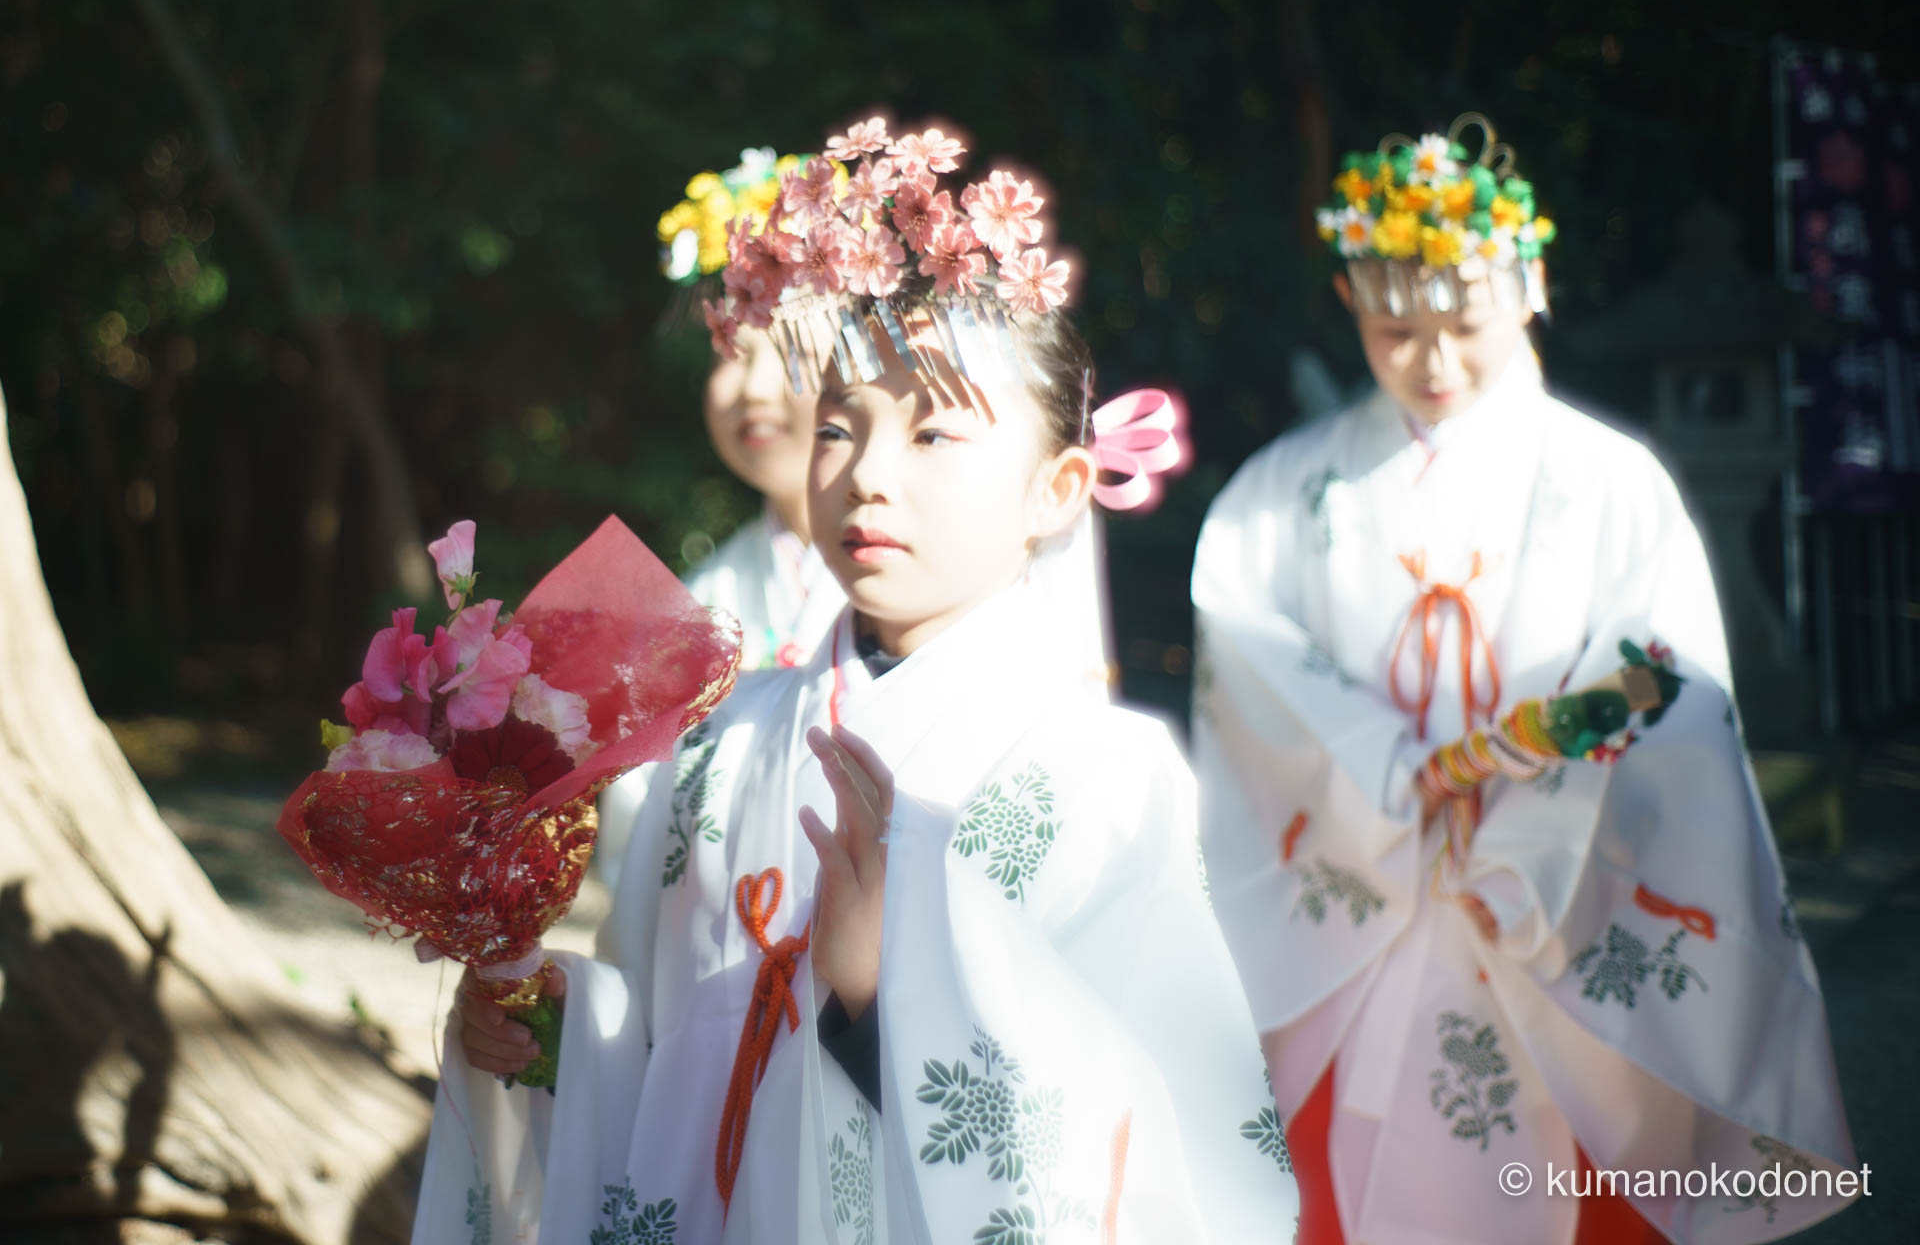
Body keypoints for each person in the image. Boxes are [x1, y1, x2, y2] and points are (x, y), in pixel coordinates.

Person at [414, 115, 1297, 1243]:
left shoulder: (1104, 779)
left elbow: (1159, 1141)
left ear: (1058, 488)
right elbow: (660, 1037)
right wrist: (547, 1027)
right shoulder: (717, 742)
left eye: (933, 436)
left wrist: (881, 1001)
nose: (868, 473)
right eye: (839, 427)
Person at [1191, 114, 1857, 1244]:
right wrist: (1392, 769)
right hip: (1373, 890)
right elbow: (1249, 641)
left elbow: (1659, 673)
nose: (1434, 362)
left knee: (1579, 1163)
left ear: (1532, 286)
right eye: (1395, 329)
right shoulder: (1285, 492)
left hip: (1561, 890)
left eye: (1465, 326)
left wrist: (1527, 828)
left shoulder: (1610, 483)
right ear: (1350, 299)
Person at [597, 151, 851, 886]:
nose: (753, 388)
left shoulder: (946, 582)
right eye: (730, 351)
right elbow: (637, 853)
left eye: (786, 350)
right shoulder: (699, 601)